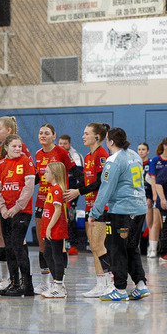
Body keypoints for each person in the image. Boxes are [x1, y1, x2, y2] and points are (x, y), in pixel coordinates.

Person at [89, 127, 149, 301]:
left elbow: (105, 189)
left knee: (117, 249)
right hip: (139, 209)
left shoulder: (113, 161)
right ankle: (140, 285)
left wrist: (94, 212)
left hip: (122, 211)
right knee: (131, 247)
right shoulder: (134, 155)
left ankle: (120, 289)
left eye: (107, 139)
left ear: (111, 142)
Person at [64, 123, 112, 298]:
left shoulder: (102, 154)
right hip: (90, 205)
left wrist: (78, 192)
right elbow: (86, 181)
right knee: (93, 246)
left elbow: (100, 182)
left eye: (86, 133)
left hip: (101, 206)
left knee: (100, 246)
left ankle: (109, 284)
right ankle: (100, 283)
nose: (83, 136)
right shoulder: (89, 155)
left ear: (97, 137)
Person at [33, 124, 81, 295]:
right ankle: (45, 282)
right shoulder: (38, 154)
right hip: (42, 200)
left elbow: (77, 173)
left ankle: (60, 283)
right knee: (43, 243)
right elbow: (38, 177)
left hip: (58, 200)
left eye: (47, 133)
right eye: (40, 133)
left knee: (58, 246)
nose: (43, 135)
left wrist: (78, 191)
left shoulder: (61, 152)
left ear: (54, 136)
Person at [0, 116, 33, 291]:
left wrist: (16, 207)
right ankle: (13, 282)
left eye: (19, 146)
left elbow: (29, 186)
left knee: (17, 244)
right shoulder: (0, 163)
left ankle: (26, 284)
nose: (17, 149)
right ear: (6, 148)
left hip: (20, 209)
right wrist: (2, 208)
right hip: (5, 209)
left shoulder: (25, 159)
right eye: (14, 146)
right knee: (8, 245)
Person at [40, 162, 69, 298]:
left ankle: (59, 286)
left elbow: (57, 211)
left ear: (54, 174)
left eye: (47, 172)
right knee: (47, 254)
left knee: (56, 255)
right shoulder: (52, 189)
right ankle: (58, 283)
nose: (44, 174)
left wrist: (49, 227)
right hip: (50, 228)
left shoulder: (57, 189)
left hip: (56, 228)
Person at [147, 137, 167, 257]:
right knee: (156, 222)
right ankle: (153, 249)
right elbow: (153, 179)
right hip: (159, 195)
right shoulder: (155, 160)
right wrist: (155, 194)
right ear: (165, 146)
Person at [58, 134, 85, 255]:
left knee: (71, 215)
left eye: (65, 144)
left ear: (70, 144)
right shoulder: (56, 154)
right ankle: (59, 243)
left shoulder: (76, 156)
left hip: (72, 190)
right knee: (57, 215)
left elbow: (80, 176)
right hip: (58, 189)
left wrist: (74, 192)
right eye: (61, 143)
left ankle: (73, 245)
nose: (62, 146)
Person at [137, 142, 154, 255]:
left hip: (147, 197)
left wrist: (150, 197)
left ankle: (151, 248)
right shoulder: (134, 163)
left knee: (150, 223)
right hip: (136, 197)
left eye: (143, 149)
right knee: (135, 223)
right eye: (139, 149)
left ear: (148, 151)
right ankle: (135, 247)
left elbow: (153, 182)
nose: (141, 151)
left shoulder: (151, 163)